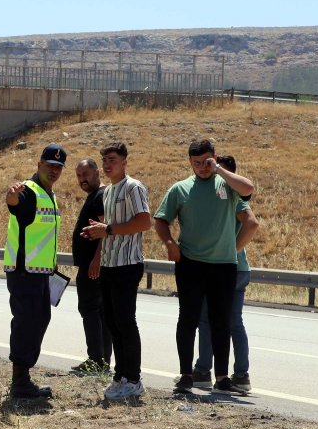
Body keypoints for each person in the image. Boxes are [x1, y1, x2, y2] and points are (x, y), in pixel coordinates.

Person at [154, 140, 255, 395]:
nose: (202, 167)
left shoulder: (227, 185)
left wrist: (219, 170)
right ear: (190, 162)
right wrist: (170, 243)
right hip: (190, 264)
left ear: (214, 158)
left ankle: (222, 378)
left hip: (223, 266)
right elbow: (161, 220)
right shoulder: (180, 189)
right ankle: (187, 375)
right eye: (197, 163)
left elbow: (248, 190)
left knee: (221, 322)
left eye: (206, 162)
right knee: (188, 319)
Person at [80, 143, 152, 400]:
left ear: (124, 161)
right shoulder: (108, 191)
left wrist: (108, 229)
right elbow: (107, 229)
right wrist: (97, 235)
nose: (108, 164)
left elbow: (145, 221)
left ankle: (133, 378)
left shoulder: (134, 187)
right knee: (111, 321)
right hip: (110, 264)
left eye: (112, 159)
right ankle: (121, 376)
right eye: (105, 160)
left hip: (127, 264)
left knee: (125, 320)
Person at [191, 155, 259, 392]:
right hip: (239, 268)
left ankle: (202, 370)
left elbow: (252, 224)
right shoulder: (232, 195)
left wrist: (232, 250)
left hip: (225, 267)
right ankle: (241, 375)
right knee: (232, 322)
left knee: (208, 321)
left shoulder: (230, 195)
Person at [3, 143, 66, 399]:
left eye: (58, 167)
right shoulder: (29, 191)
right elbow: (15, 204)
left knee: (39, 321)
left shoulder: (48, 194)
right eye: (49, 165)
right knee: (26, 323)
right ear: (39, 164)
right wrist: (11, 197)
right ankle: (20, 382)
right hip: (24, 271)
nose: (54, 171)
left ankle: (24, 377)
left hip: (40, 272)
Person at [70, 158, 112, 374]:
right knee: (100, 312)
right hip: (93, 265)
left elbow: (105, 232)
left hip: (93, 266)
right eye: (78, 176)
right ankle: (101, 360)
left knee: (90, 309)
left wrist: (97, 260)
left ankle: (96, 360)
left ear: (97, 172)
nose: (82, 179)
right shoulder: (96, 196)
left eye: (85, 174)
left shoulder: (100, 196)